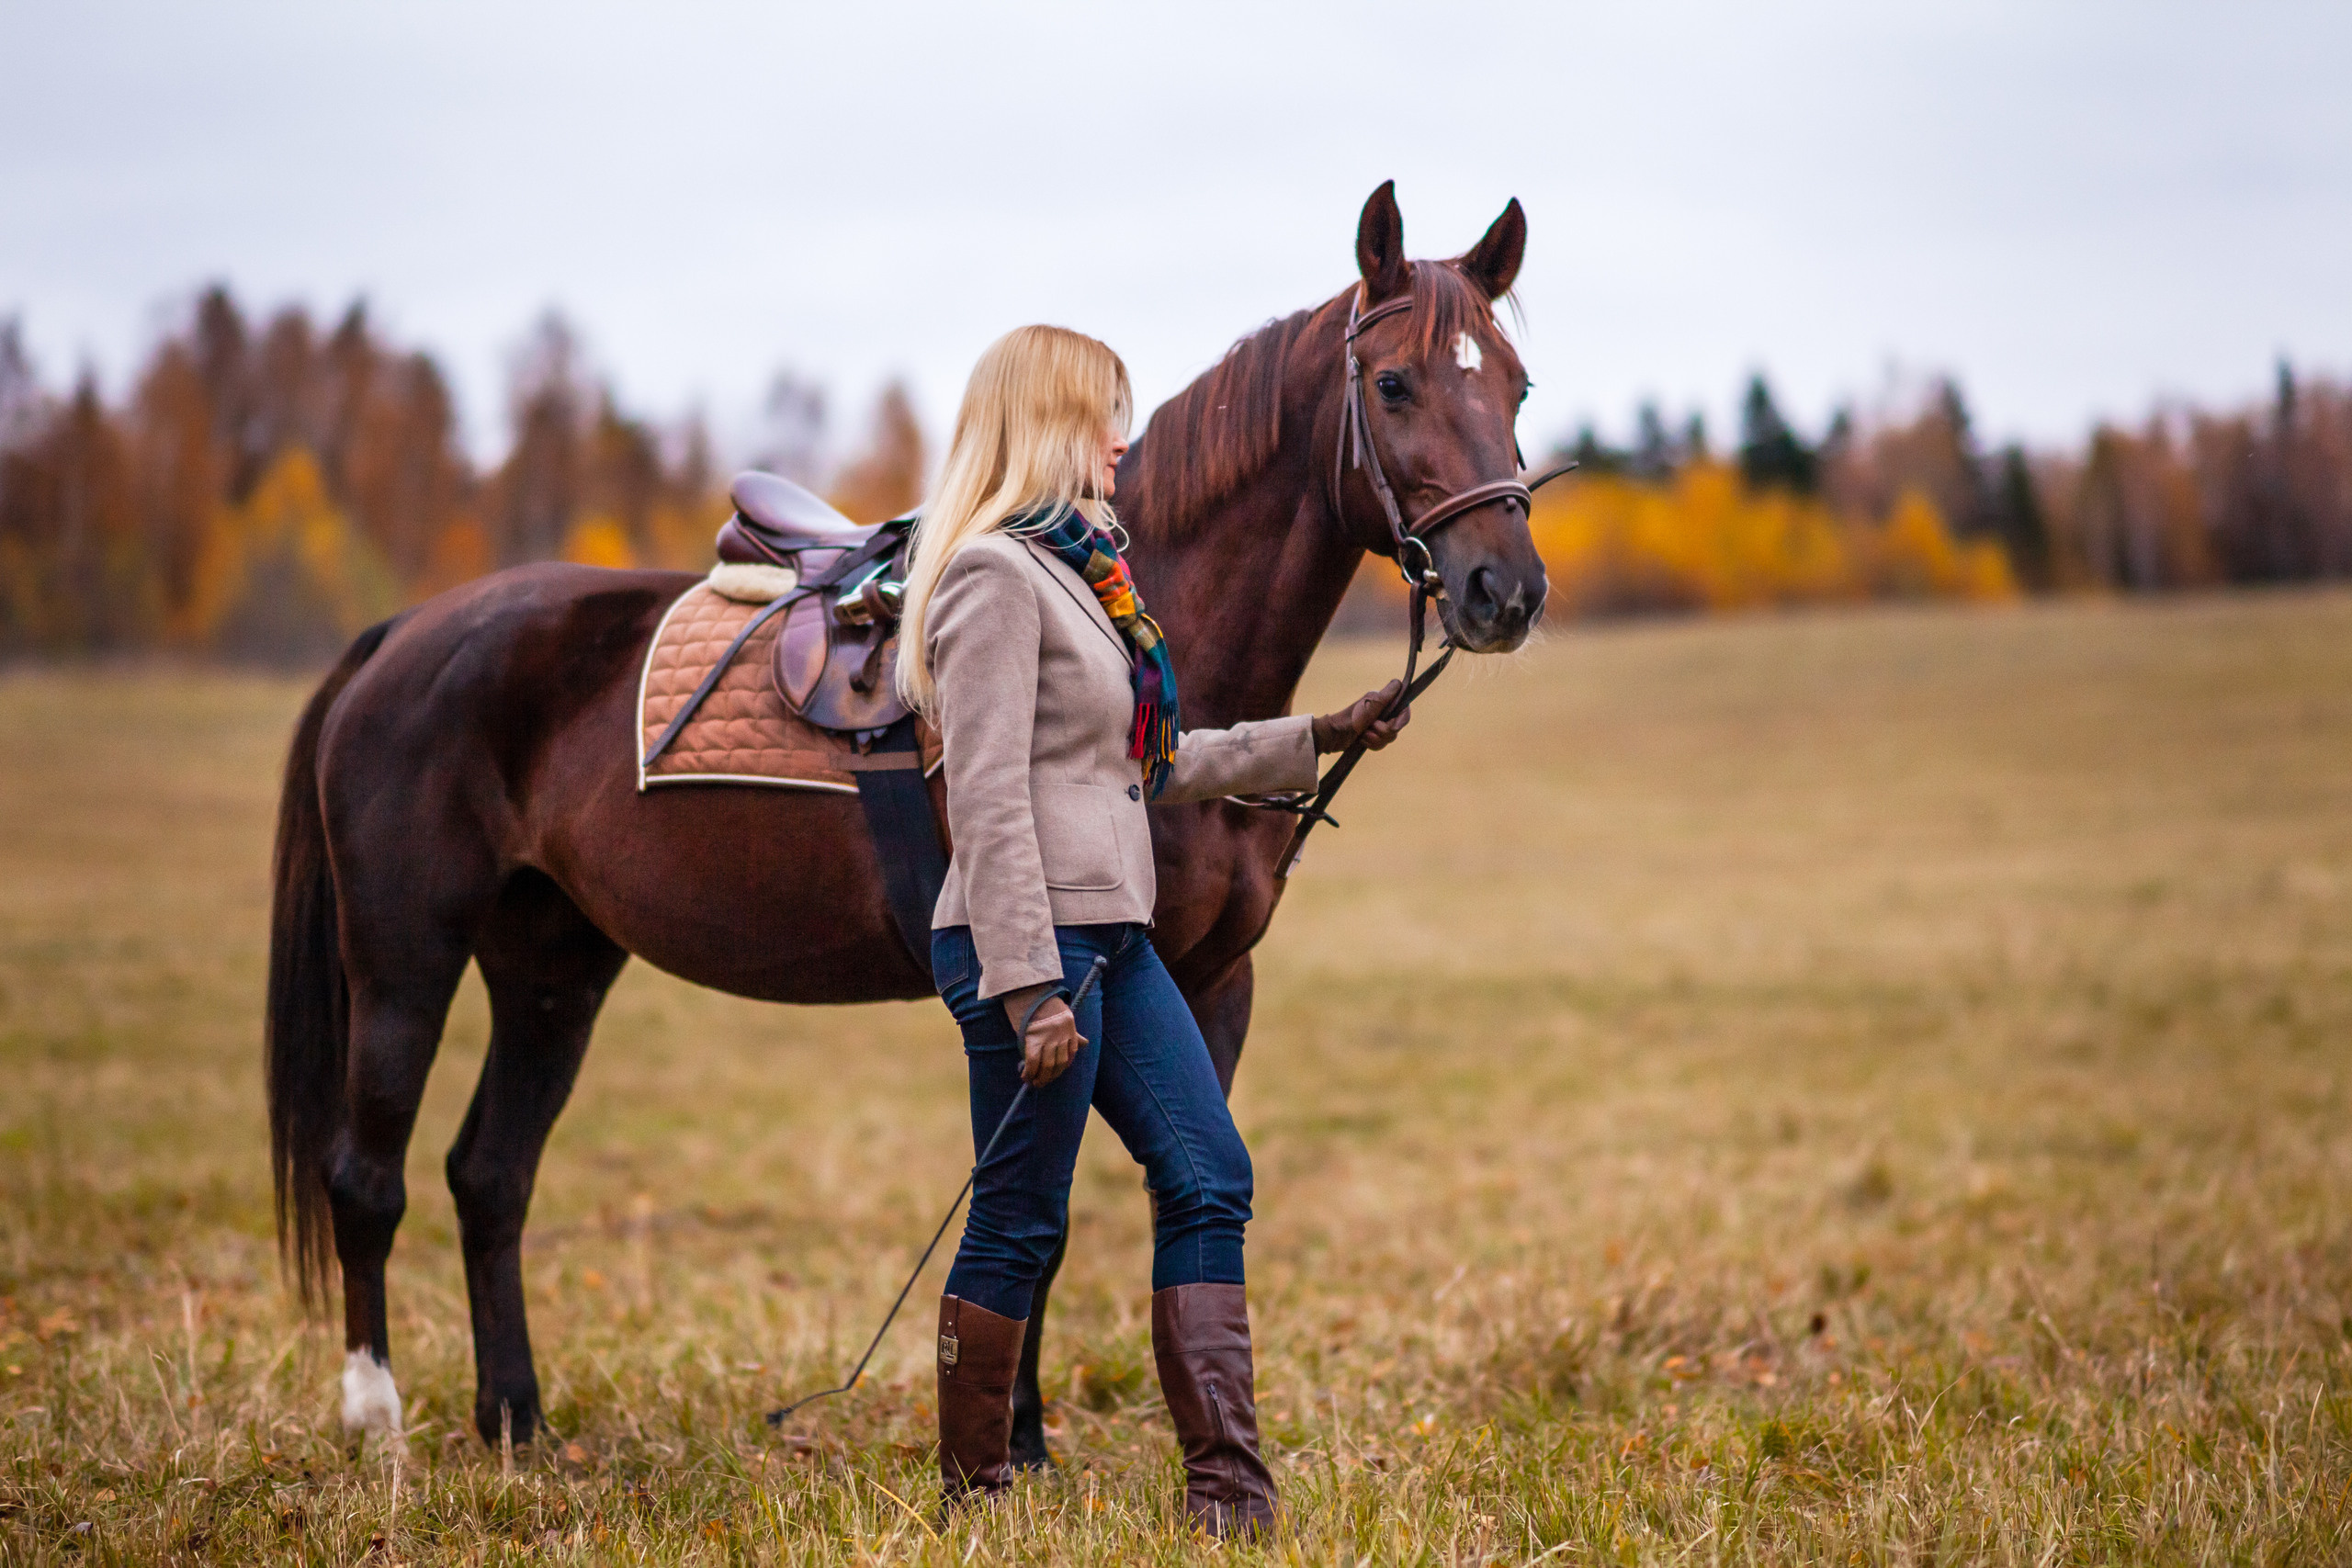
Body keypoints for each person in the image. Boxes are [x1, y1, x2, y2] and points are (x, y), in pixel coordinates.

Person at [894, 324, 1408, 1536]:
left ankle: (1229, 1494)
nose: (1125, 440)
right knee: (1022, 1217)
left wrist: (1319, 735)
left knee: (1209, 1172)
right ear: (1041, 425)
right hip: (1034, 952)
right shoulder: (988, 583)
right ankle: (976, 1496)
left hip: (1113, 938)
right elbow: (985, 801)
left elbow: (1148, 765)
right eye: (1101, 416)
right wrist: (1029, 991)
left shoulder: (1089, 581)